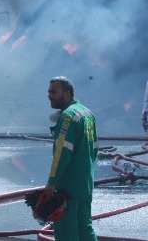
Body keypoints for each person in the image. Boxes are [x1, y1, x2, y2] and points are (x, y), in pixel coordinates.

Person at [44, 76, 98, 241]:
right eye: (48, 92)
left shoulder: (67, 117)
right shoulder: (87, 113)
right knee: (85, 228)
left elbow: (61, 153)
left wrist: (52, 181)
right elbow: (94, 149)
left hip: (68, 186)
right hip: (85, 184)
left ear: (67, 93)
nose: (49, 95)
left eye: (54, 91)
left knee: (66, 231)